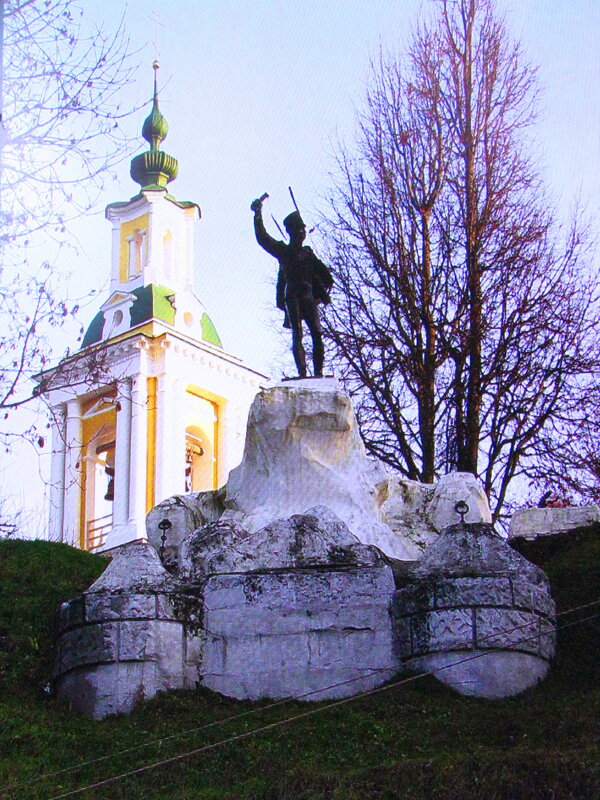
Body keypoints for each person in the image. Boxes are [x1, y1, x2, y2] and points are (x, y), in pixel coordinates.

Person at [251, 197, 333, 378]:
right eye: (300, 228)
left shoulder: (308, 253)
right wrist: (258, 215)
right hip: (293, 296)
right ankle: (303, 372)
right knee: (298, 333)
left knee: (317, 333)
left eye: (304, 228)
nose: (303, 231)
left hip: (308, 295)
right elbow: (263, 238)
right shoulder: (283, 251)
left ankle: (318, 373)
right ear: (291, 231)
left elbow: (327, 276)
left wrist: (321, 292)